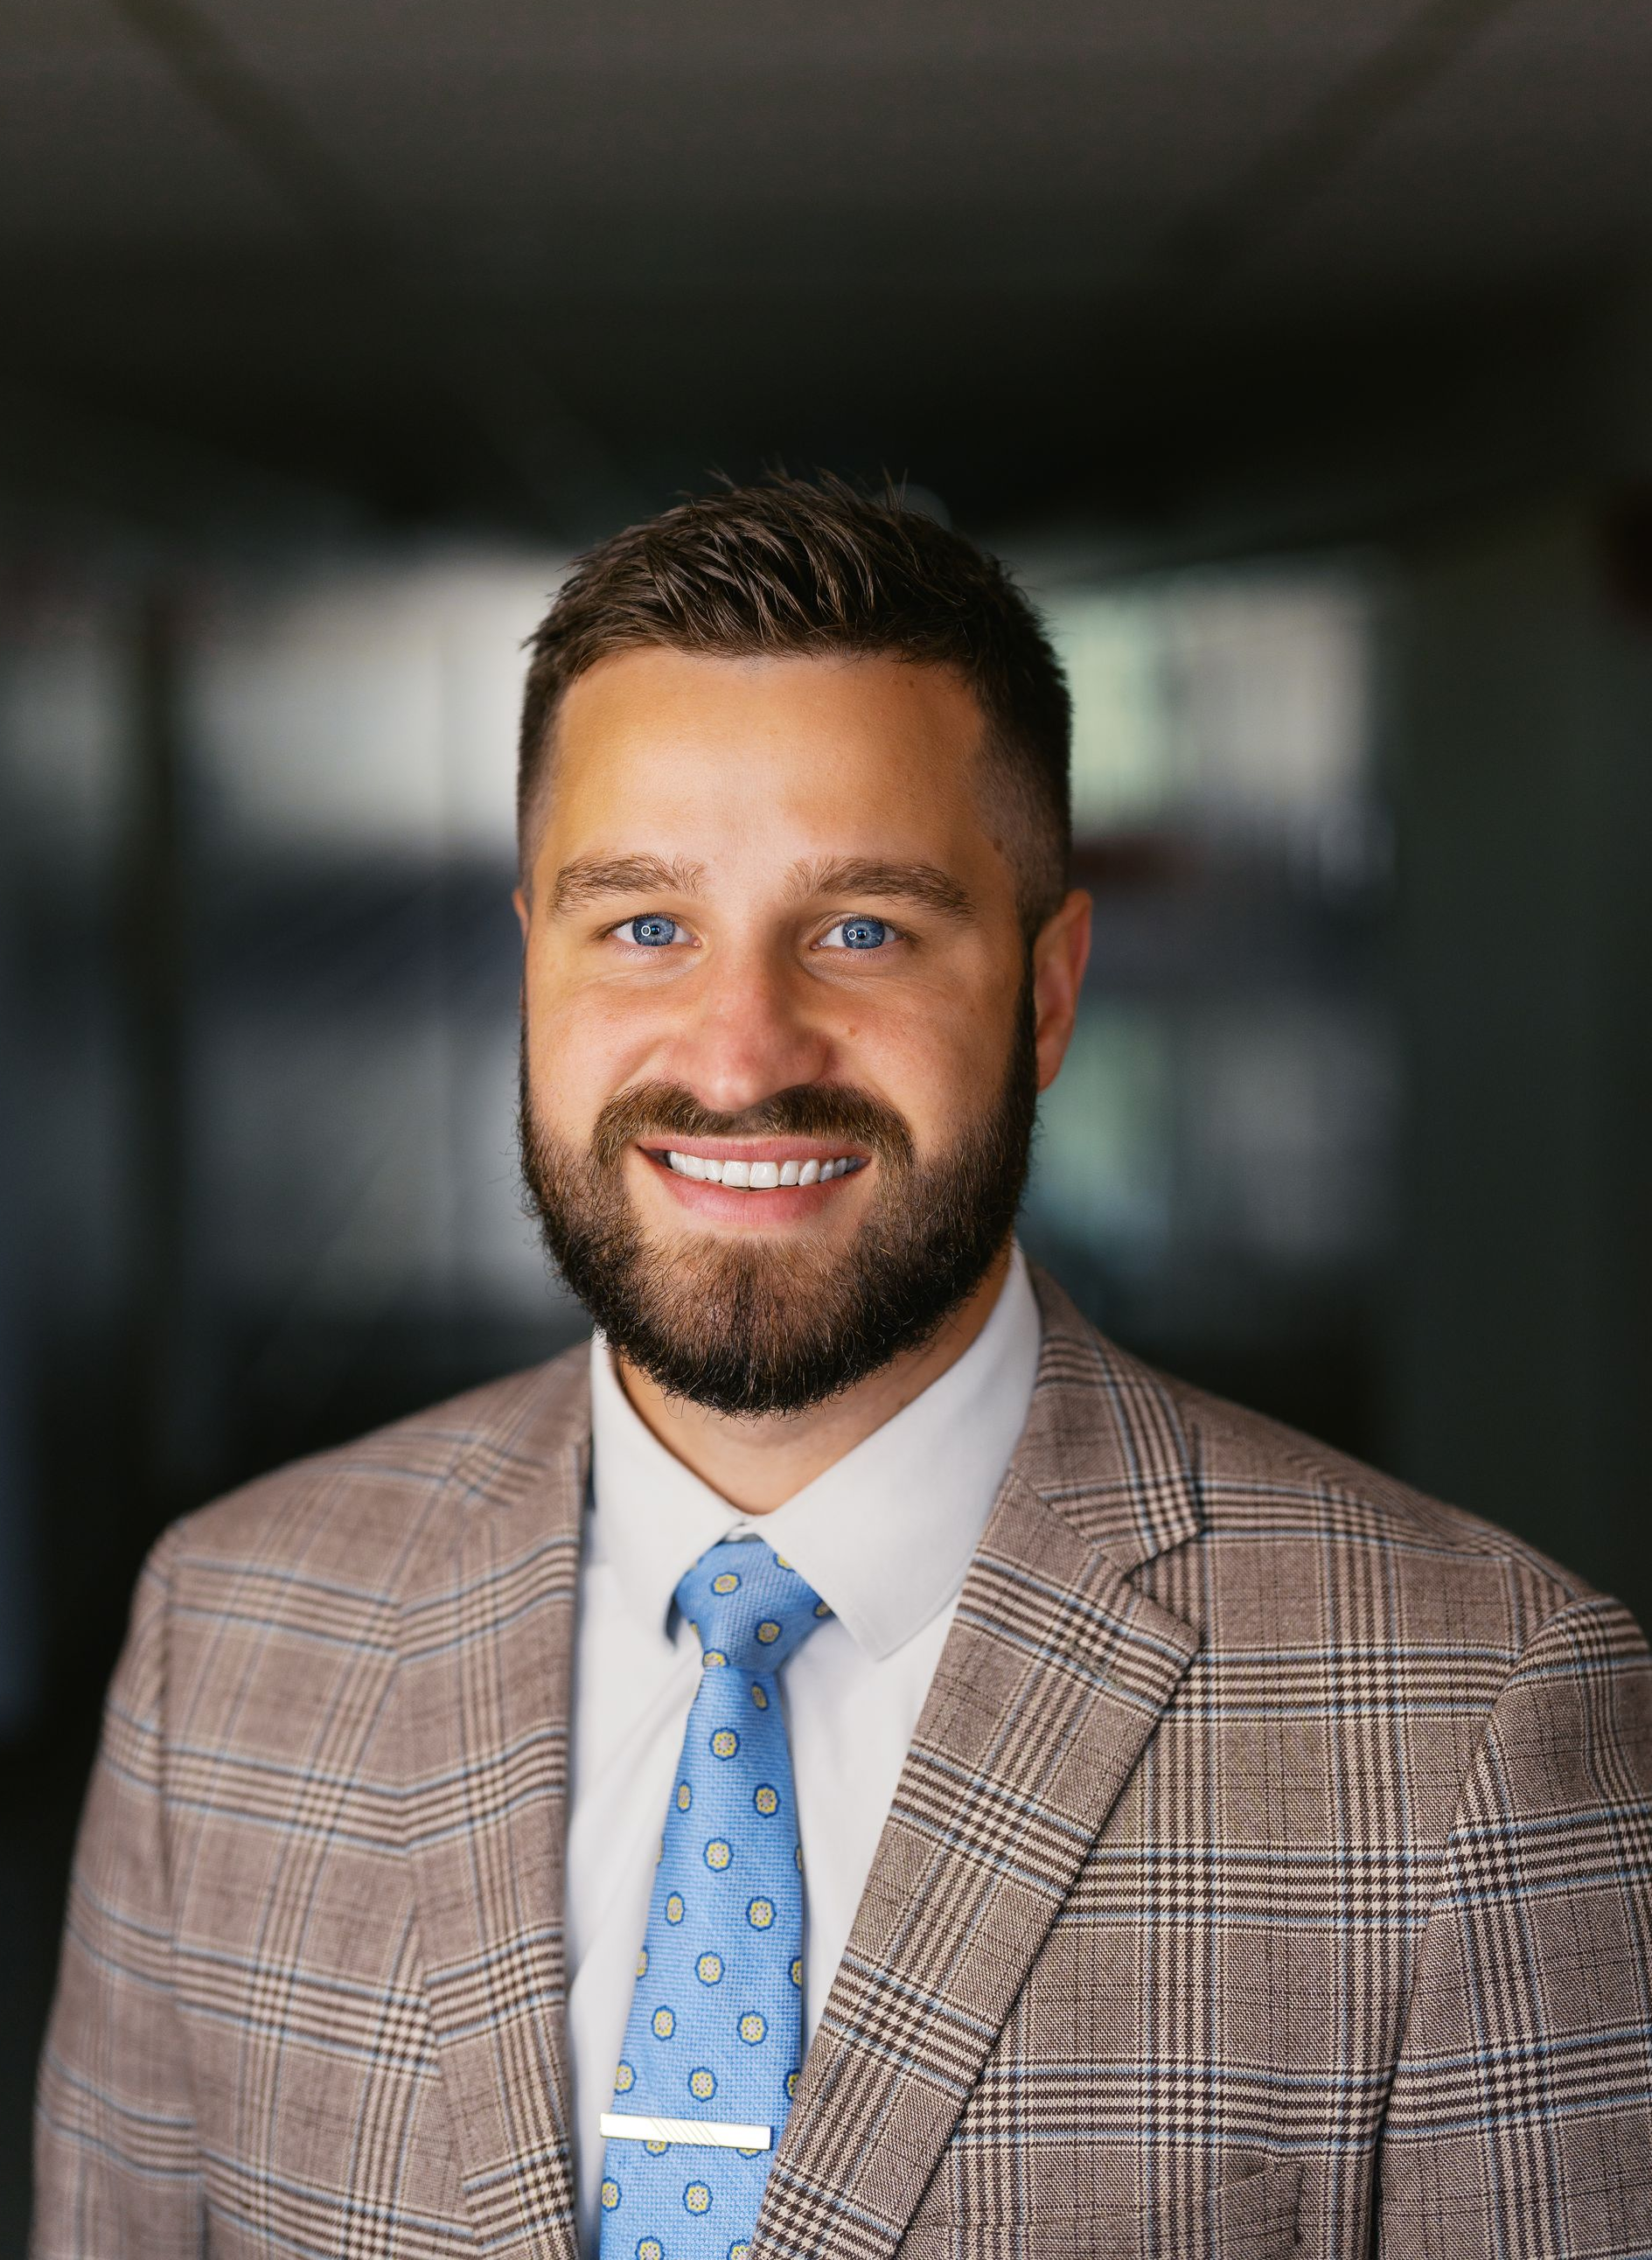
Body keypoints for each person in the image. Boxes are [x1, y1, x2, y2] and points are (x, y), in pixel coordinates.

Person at [33, 478, 1652, 2260]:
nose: (740, 1057)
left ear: (1045, 991)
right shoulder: (225, 1637)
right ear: (533, 966)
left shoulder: (1476, 1720)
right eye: (643, 925)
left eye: (864, 927)